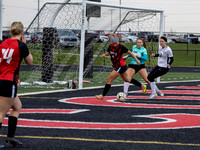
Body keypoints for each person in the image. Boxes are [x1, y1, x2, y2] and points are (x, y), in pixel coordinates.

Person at [0, 22, 33, 148]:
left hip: (2, 78)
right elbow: (30, 62)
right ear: (22, 32)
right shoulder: (21, 45)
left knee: (17, 106)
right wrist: (24, 45)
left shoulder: (2, 43)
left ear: (10, 32)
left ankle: (10, 137)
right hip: (8, 81)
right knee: (1, 113)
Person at [95, 34, 142, 100]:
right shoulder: (110, 46)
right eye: (113, 43)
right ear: (111, 42)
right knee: (128, 79)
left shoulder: (121, 47)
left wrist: (136, 60)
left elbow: (130, 53)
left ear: (118, 42)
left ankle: (102, 96)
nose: (115, 45)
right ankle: (142, 86)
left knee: (109, 80)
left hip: (120, 66)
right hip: (119, 66)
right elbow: (109, 52)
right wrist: (105, 54)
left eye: (116, 43)